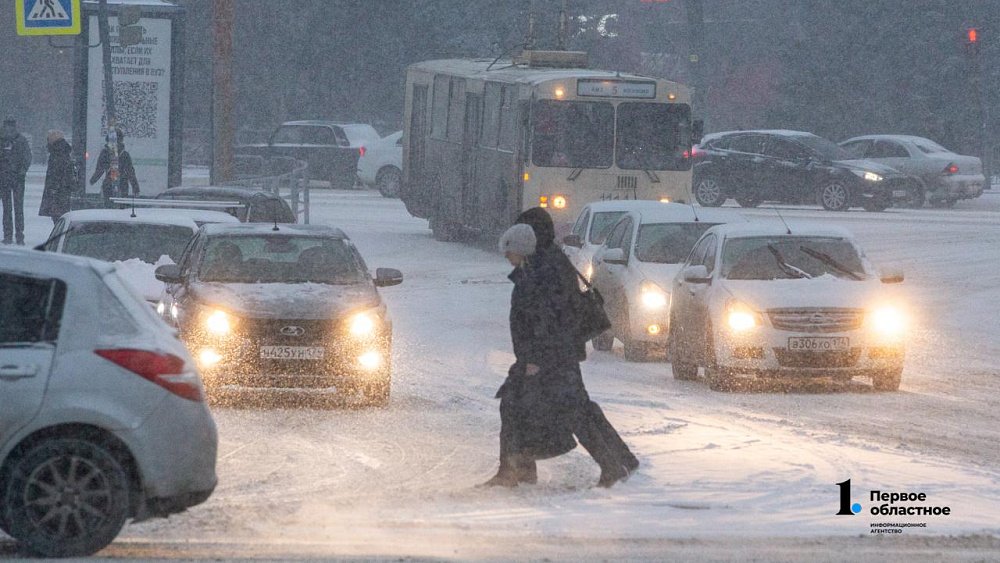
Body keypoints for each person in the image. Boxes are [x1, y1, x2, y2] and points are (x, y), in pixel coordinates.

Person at [484, 210, 638, 488]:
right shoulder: (545, 262)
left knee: (566, 410)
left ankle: (612, 464)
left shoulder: (545, 268)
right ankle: (617, 460)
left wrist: (534, 359)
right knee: (568, 409)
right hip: (557, 354)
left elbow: (546, 319)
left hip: (551, 357)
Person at [0, 117, 32, 245]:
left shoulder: (21, 141)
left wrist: (23, 169)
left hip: (15, 178)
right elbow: (28, 156)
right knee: (8, 208)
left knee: (16, 208)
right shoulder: (18, 140)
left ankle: (18, 235)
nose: (9, 129)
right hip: (5, 178)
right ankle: (10, 235)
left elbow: (27, 157)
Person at [90, 128, 139, 206]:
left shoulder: (104, 153)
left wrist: (93, 180)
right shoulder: (125, 154)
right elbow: (130, 172)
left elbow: (99, 169)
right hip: (122, 184)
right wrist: (135, 187)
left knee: (108, 207)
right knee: (123, 208)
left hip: (109, 183)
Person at [39, 130, 76, 225]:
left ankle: (59, 236)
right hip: (63, 191)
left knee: (57, 215)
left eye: (48, 140)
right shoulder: (63, 152)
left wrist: (54, 189)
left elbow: (56, 174)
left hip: (57, 191)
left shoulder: (57, 154)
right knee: (60, 214)